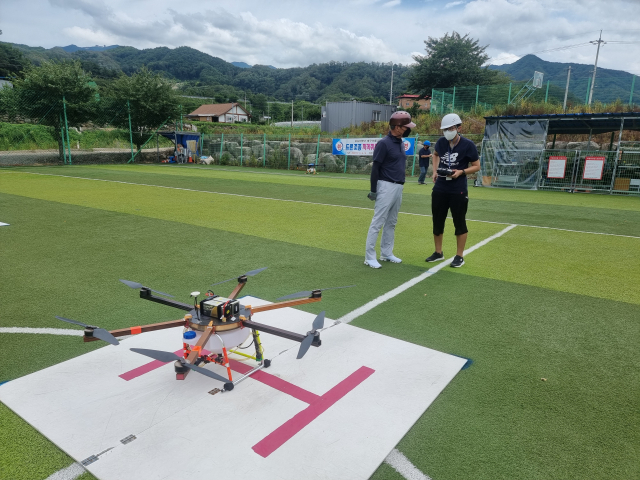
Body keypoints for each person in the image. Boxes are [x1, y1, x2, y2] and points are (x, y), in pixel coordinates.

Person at [425, 113, 480, 268]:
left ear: (458, 128)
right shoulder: (441, 143)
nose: (447, 131)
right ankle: (438, 252)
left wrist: (461, 172)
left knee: (459, 222)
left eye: (450, 128)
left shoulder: (468, 145)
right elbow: (435, 155)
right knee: (437, 220)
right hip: (440, 188)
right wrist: (435, 171)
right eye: (445, 129)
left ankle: (459, 256)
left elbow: (477, 166)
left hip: (458, 190)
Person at [364, 111, 416, 269]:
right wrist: (373, 190)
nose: (408, 130)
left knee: (392, 222)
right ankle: (369, 257)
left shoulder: (400, 142)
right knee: (378, 221)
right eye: (406, 127)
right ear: (398, 127)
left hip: (399, 186)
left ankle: (386, 253)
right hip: (386, 185)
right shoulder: (384, 143)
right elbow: (376, 168)